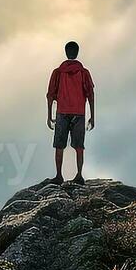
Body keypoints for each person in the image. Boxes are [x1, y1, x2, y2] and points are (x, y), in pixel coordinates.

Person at [46, 41, 95, 185]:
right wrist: (93, 116)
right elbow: (91, 94)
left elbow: (50, 94)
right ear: (77, 52)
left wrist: (49, 115)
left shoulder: (58, 72)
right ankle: (79, 175)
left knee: (59, 145)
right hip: (79, 113)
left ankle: (59, 176)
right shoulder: (84, 72)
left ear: (66, 52)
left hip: (62, 112)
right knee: (79, 146)